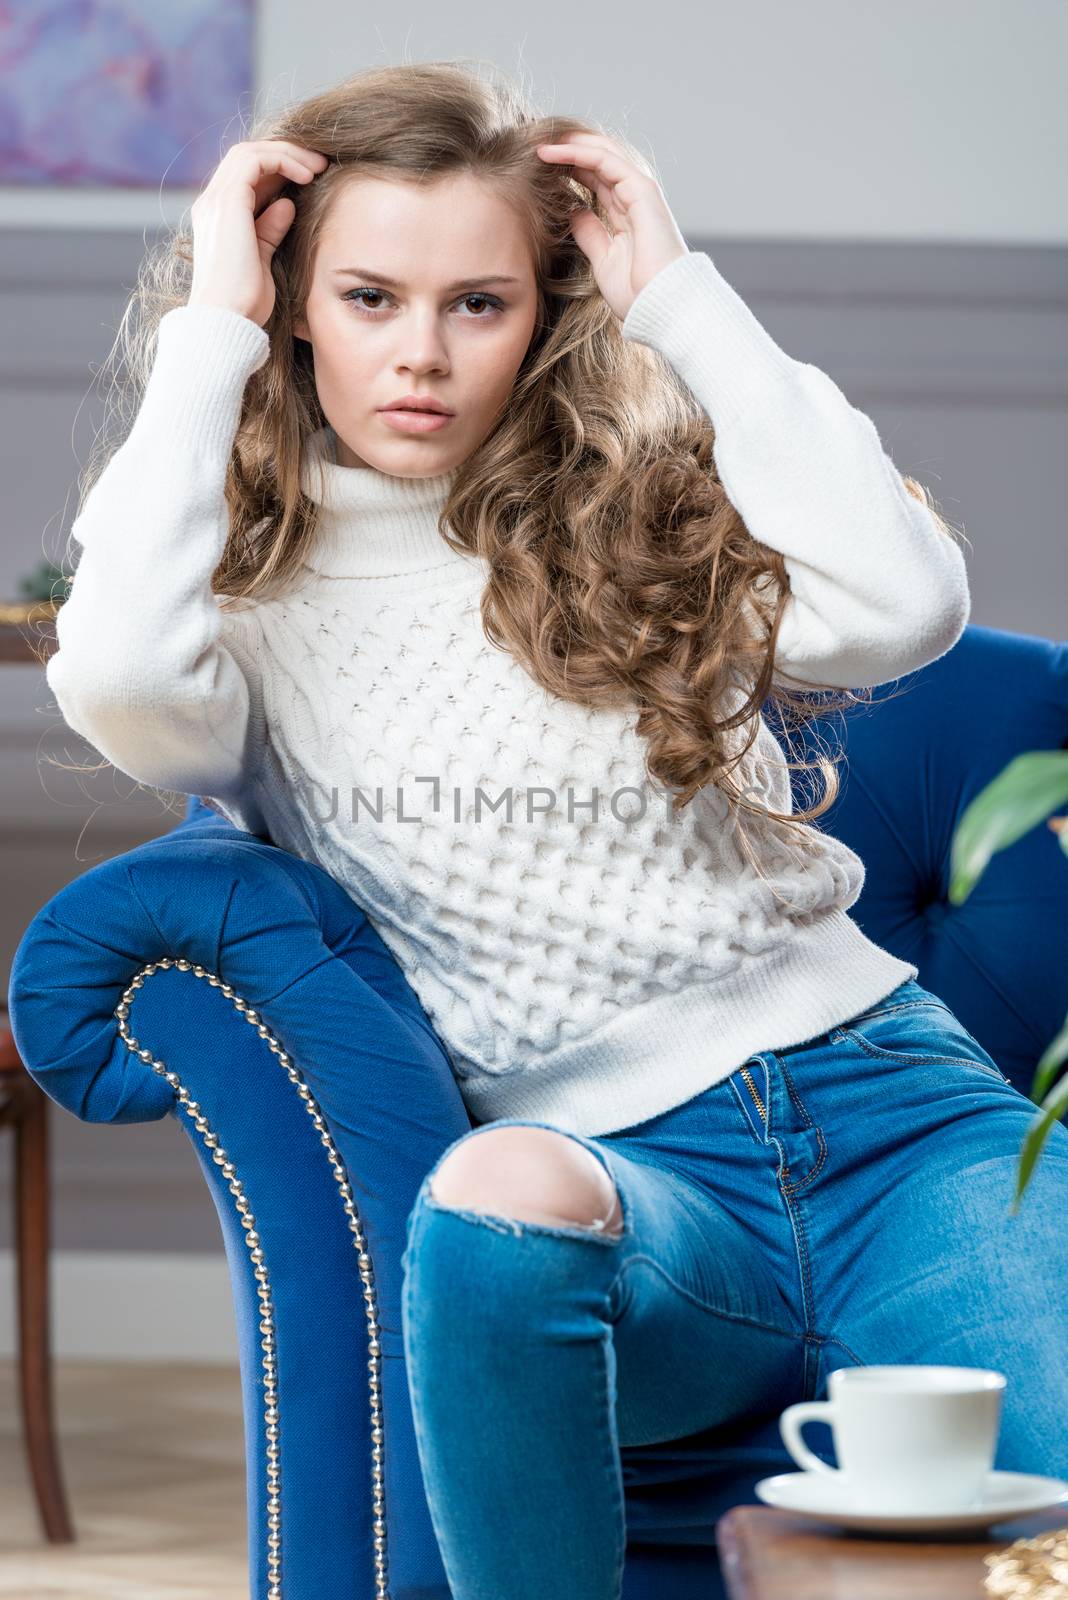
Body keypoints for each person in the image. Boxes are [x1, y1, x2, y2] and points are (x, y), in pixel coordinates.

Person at [45, 56, 1068, 1600]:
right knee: (489, 1202)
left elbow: (910, 608)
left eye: (481, 303)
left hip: (901, 1120)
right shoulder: (245, 610)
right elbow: (119, 679)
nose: (423, 356)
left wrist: (681, 295)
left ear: (549, 308)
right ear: (294, 305)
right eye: (370, 297)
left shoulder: (633, 499)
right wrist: (209, 323)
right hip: (636, 1196)